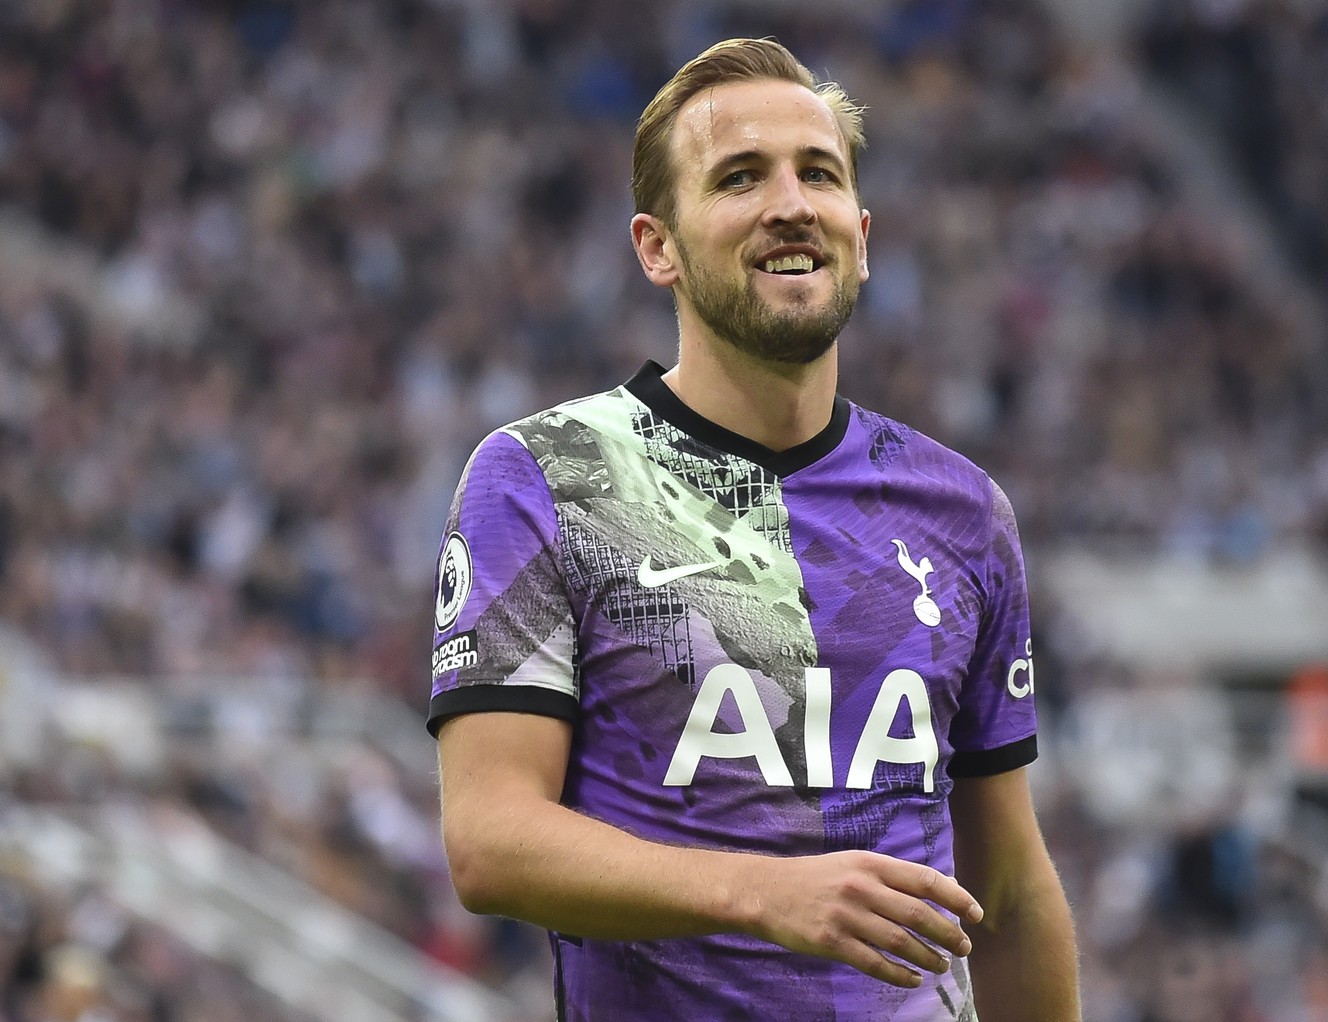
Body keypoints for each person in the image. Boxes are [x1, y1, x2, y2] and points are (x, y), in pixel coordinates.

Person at [428, 37, 1080, 1021]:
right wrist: (768, 891)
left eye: (818, 174)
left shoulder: (964, 511)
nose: (790, 202)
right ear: (659, 246)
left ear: (860, 231)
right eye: (741, 177)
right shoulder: (545, 477)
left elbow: (1014, 895)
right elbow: (491, 839)